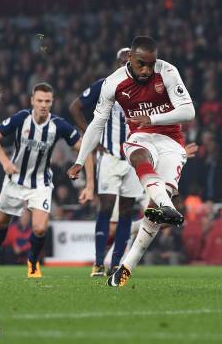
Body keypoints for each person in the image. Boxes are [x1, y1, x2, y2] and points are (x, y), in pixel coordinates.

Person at [68, 36, 195, 287]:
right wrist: (81, 160)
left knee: (153, 215)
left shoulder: (168, 71)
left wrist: (154, 119)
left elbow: (189, 111)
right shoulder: (112, 84)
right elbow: (96, 124)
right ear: (129, 59)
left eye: (151, 64)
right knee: (137, 154)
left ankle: (126, 267)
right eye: (141, 64)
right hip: (140, 138)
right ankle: (165, 204)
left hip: (171, 143)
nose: (147, 70)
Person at [0, 82, 94, 278]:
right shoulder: (21, 118)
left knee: (40, 227)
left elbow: (86, 150)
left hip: (40, 182)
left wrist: (89, 184)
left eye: (47, 101)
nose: (43, 105)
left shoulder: (58, 125)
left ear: (52, 103)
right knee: (0, 223)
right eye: (40, 100)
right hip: (15, 179)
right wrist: (5, 162)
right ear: (32, 101)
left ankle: (33, 263)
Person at [70, 47, 148, 277]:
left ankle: (115, 264)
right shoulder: (106, 85)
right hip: (111, 157)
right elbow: (75, 107)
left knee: (126, 211)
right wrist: (92, 135)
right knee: (105, 208)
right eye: (123, 60)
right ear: (117, 64)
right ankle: (97, 263)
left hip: (133, 158)